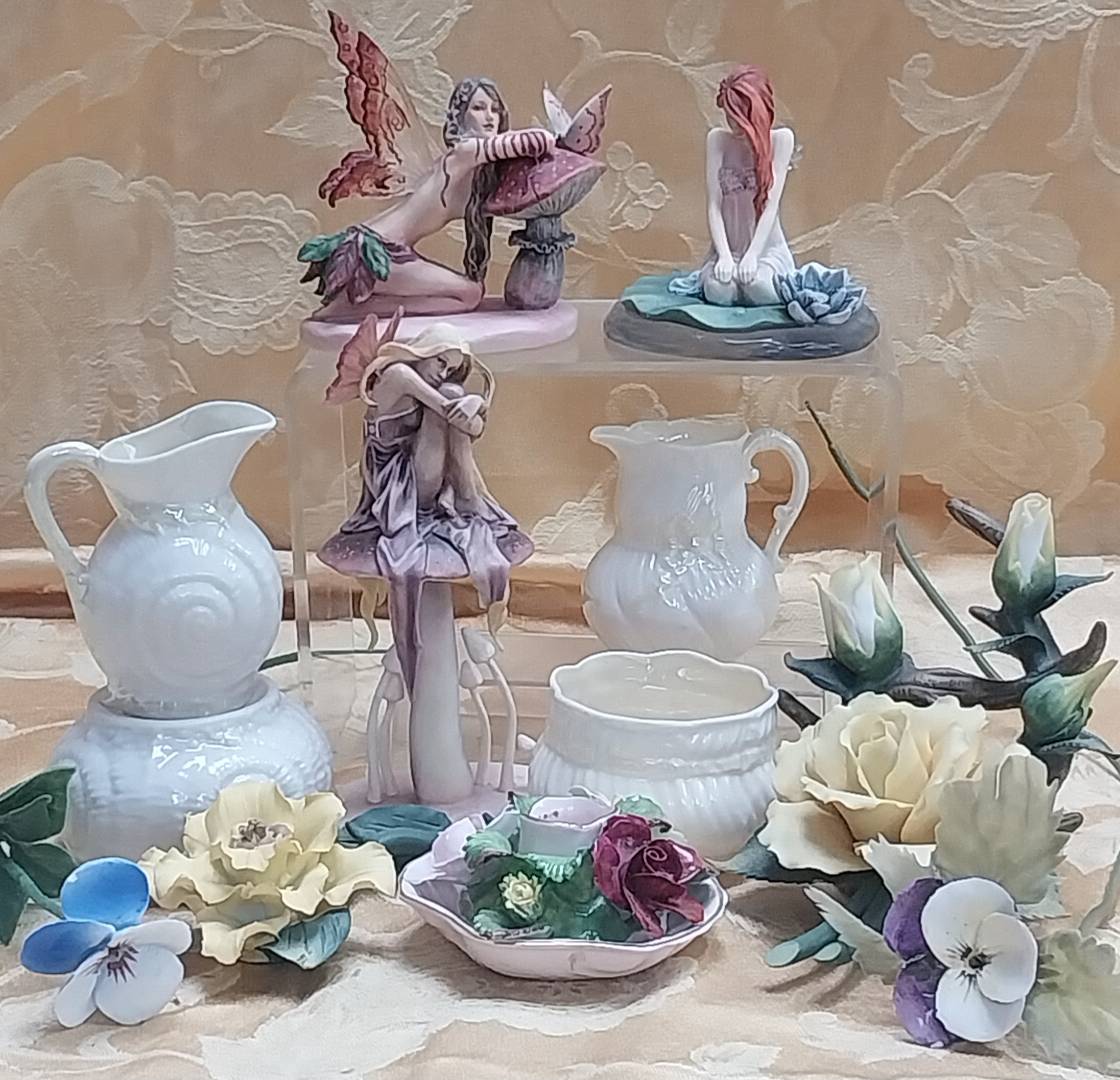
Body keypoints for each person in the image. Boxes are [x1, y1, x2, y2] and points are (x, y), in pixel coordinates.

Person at [318, 322, 531, 688]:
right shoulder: (398, 375)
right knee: (450, 397)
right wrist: (475, 402)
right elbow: (450, 412)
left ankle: (467, 497)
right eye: (440, 362)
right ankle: (468, 497)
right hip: (395, 486)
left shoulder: (431, 385)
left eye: (450, 367)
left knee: (452, 395)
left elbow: (468, 425)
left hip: (421, 475)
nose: (442, 372)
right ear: (423, 351)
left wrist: (472, 404)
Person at [317, 78, 556, 318]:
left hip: (381, 245)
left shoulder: (478, 176)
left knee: (470, 294)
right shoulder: (464, 152)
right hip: (374, 247)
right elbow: (538, 141)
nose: (490, 117)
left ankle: (361, 304)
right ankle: (350, 308)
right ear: (460, 117)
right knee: (470, 294)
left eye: (495, 109)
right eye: (479, 108)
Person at [672, 65, 796, 307]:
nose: (734, 125)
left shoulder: (781, 140)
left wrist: (753, 255)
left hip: (766, 249)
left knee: (759, 287)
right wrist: (725, 256)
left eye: (741, 116)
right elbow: (714, 206)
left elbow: (770, 207)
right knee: (719, 292)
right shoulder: (718, 140)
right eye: (730, 116)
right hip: (728, 248)